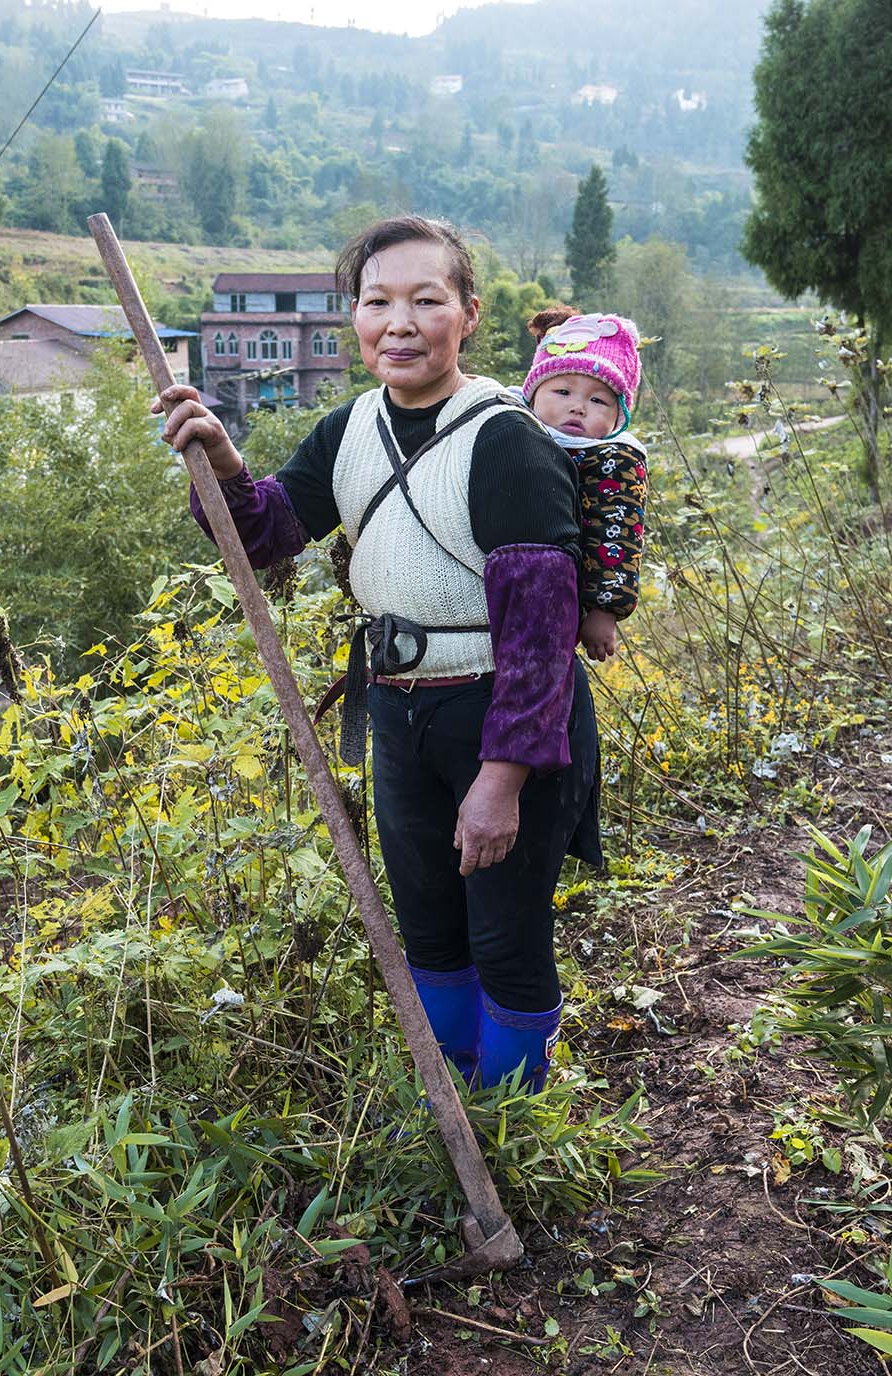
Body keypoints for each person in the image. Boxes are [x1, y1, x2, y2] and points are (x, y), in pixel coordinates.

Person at [155, 215, 601, 1094]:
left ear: (467, 314)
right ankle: (459, 1099)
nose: (399, 323)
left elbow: (543, 637)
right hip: (398, 709)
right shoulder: (350, 427)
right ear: (352, 317)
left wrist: (501, 781)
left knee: (505, 934)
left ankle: (515, 1117)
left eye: (425, 300)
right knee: (429, 928)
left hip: (502, 717)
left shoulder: (507, 441)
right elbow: (268, 534)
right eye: (377, 301)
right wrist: (222, 459)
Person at [516, 308, 648, 663]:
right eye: (562, 391)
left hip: (565, 600)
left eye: (598, 400)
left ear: (618, 416)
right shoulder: (511, 429)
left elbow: (617, 536)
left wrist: (604, 612)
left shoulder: (614, 461)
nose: (578, 408)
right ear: (532, 395)